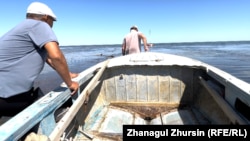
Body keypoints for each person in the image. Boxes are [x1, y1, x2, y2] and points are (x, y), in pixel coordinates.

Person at [0, 2, 79, 116]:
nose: (52, 24)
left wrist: (68, 74)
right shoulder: (39, 25)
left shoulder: (23, 27)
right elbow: (56, 56)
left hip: (5, 94)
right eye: (52, 21)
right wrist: (70, 83)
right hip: (9, 98)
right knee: (55, 109)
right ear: (46, 17)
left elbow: (48, 58)